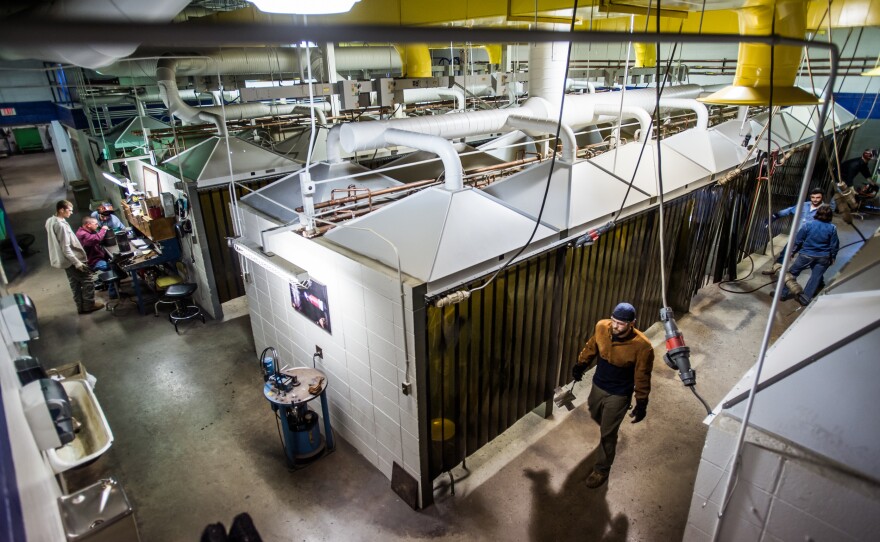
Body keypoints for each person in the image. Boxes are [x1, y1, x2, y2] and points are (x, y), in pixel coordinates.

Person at [570, 302, 654, 489]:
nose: (615, 326)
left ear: (632, 323)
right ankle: (609, 426)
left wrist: (642, 402)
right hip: (598, 385)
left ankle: (601, 469)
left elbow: (642, 375)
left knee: (608, 434)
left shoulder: (643, 346)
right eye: (614, 321)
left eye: (621, 323)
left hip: (619, 393)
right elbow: (592, 345)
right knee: (594, 411)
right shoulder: (602, 327)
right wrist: (581, 364)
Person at [46, 200, 104, 314]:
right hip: (72, 259)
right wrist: (77, 263)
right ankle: (89, 305)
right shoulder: (60, 225)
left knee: (75, 283)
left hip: (65, 260)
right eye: (69, 210)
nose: (71, 213)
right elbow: (65, 248)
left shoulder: (50, 220)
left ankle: (80, 306)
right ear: (61, 210)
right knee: (87, 280)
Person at [779, 205, 838, 306]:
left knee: (792, 273)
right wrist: (833, 257)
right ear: (830, 216)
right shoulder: (832, 228)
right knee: (816, 277)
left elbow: (798, 241)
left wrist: (792, 252)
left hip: (806, 255)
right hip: (823, 257)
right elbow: (834, 245)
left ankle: (782, 294)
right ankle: (805, 299)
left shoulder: (808, 225)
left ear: (817, 213)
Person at [764, 187, 824, 272]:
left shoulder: (825, 209)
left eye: (818, 197)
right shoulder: (804, 205)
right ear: (810, 197)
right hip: (797, 236)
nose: (815, 200)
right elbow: (789, 210)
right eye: (813, 197)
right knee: (785, 253)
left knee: (812, 260)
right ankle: (775, 269)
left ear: (822, 197)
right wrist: (775, 216)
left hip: (810, 239)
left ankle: (819, 281)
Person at [75, 216, 118, 299]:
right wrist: (104, 229)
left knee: (113, 262)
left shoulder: (87, 231)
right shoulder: (82, 234)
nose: (97, 225)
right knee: (113, 268)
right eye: (95, 224)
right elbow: (96, 239)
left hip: (96, 256)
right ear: (88, 225)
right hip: (93, 261)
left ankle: (104, 282)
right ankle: (113, 293)